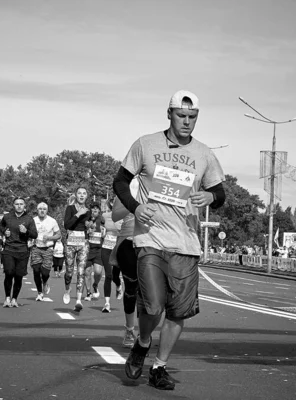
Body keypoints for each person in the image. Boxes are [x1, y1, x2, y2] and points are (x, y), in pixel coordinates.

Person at [113, 90, 226, 390]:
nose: (187, 122)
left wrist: (211, 195)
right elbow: (120, 181)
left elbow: (221, 194)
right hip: (150, 238)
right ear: (169, 113)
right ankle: (142, 341)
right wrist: (137, 208)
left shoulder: (204, 153)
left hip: (186, 242)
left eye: (192, 117)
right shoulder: (146, 144)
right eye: (181, 115)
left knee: (178, 312)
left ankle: (159, 367)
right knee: (152, 307)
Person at [111, 178, 140, 347]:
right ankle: (130, 330)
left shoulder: (162, 184)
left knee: (150, 292)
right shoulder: (129, 187)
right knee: (131, 289)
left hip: (154, 242)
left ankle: (144, 334)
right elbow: (116, 215)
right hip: (128, 241)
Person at [0, 197, 38, 308]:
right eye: (17, 204)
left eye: (21, 204)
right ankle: (7, 297)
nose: (19, 206)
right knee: (9, 272)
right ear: (13, 205)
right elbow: (1, 226)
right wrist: (4, 232)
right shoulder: (7, 217)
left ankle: (14, 298)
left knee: (18, 276)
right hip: (9, 249)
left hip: (22, 250)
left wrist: (26, 232)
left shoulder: (29, 219)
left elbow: (35, 234)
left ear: (24, 206)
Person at [63, 187, 92, 311]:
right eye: (79, 193)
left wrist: (90, 226)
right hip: (70, 242)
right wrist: (78, 214)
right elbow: (67, 225)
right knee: (69, 270)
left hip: (83, 242)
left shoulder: (88, 210)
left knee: (81, 271)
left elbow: (89, 225)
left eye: (84, 193)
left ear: (86, 196)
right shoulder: (70, 208)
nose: (81, 195)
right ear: (76, 195)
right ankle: (67, 289)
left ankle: (79, 300)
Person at [31, 202, 61, 301]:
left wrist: (49, 237)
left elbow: (58, 235)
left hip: (48, 248)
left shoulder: (52, 221)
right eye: (40, 209)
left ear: (47, 210)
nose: (42, 211)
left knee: (45, 272)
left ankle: (45, 282)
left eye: (44, 209)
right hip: (36, 247)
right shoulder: (33, 220)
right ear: (37, 210)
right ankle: (39, 292)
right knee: (36, 270)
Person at [99, 199, 120, 313]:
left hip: (118, 249)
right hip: (106, 247)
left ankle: (118, 285)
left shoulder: (125, 216)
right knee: (108, 275)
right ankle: (107, 303)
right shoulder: (105, 216)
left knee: (116, 276)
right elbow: (101, 227)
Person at [84, 203, 104, 301]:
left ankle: (95, 285)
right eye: (93, 208)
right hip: (88, 249)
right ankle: (88, 292)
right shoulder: (86, 220)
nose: (94, 210)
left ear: (99, 211)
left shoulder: (102, 220)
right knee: (87, 272)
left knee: (98, 271)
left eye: (96, 209)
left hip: (99, 249)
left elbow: (107, 231)